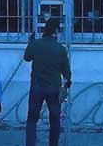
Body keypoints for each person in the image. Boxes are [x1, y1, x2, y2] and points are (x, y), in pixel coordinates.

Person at [24, 18, 72, 146]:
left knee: (32, 118)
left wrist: (30, 42)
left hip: (37, 87)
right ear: (56, 31)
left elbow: (26, 58)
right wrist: (67, 84)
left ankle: (30, 144)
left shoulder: (35, 44)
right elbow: (66, 71)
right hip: (53, 88)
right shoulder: (60, 49)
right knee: (55, 119)